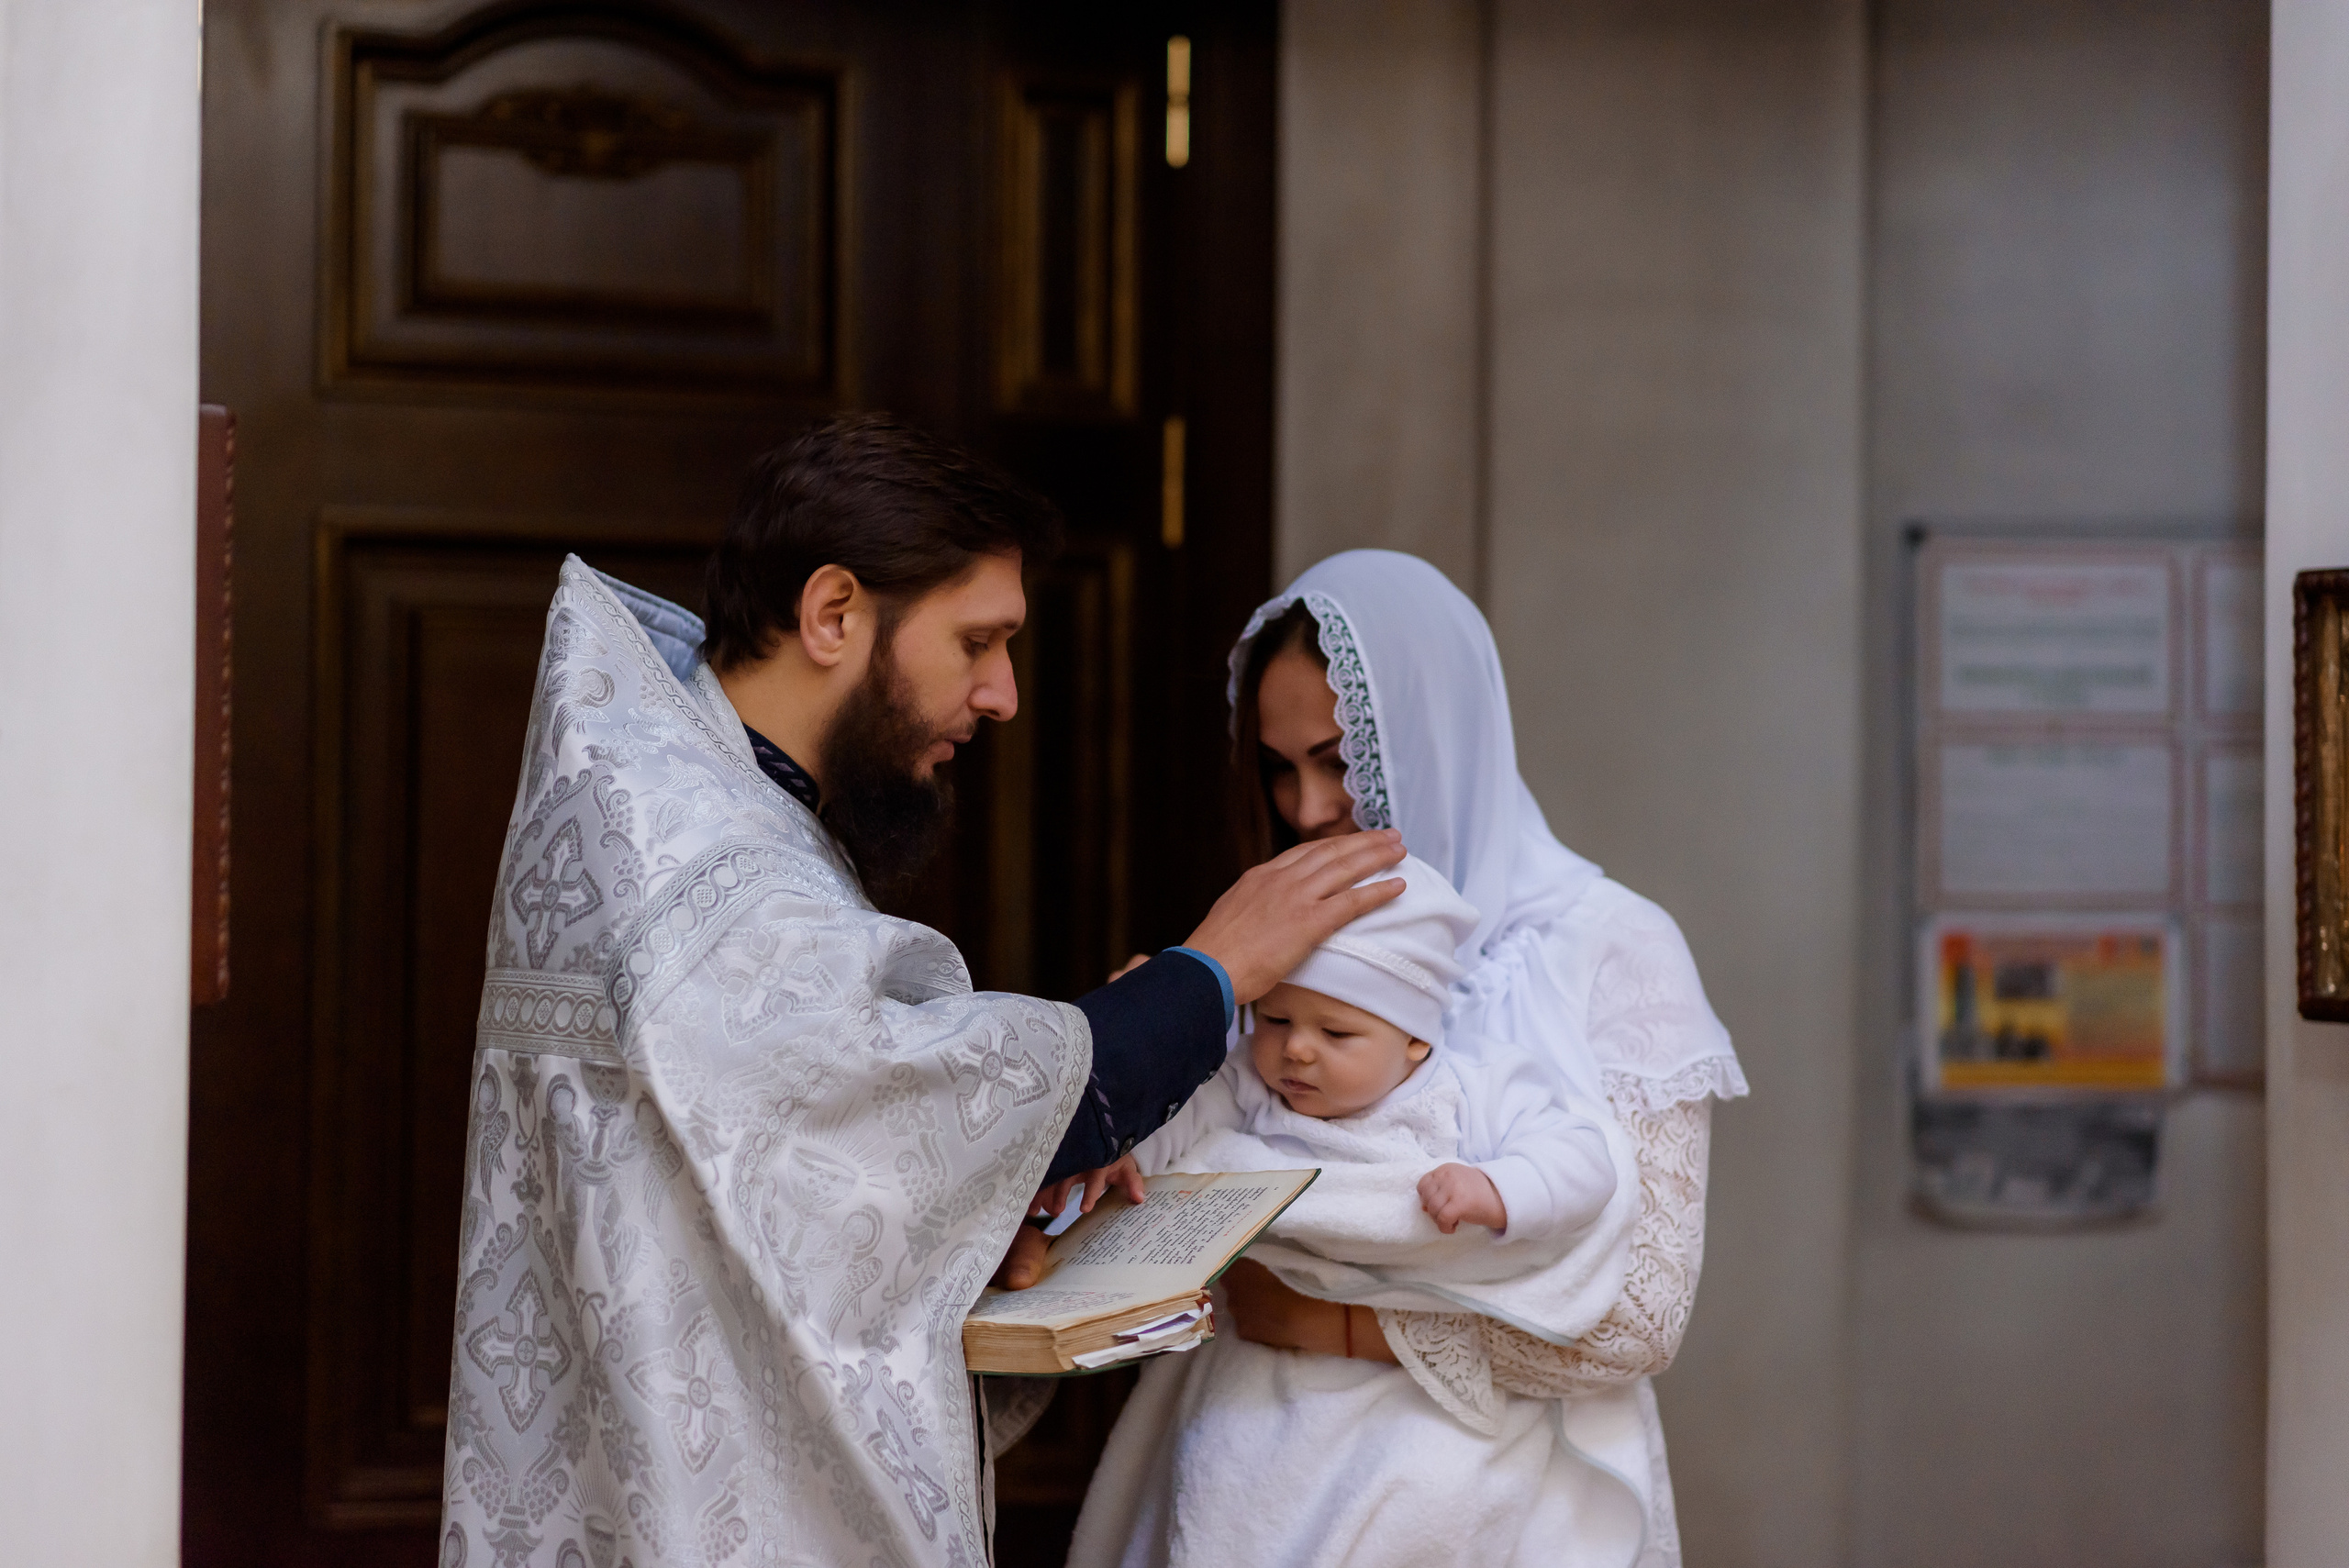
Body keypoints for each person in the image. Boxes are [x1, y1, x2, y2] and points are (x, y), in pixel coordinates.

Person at [437, 417, 1406, 1568]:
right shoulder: (704, 855)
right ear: (834, 613)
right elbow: (897, 1079)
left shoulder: (689, 798)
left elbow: (799, 1154)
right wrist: (1213, 972)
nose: (1001, 694)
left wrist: (979, 1207)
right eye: (977, 641)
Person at [1201, 550, 1746, 1566]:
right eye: (1281, 767)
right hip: (1267, 1484)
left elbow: (1640, 1319)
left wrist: (1339, 1328)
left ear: (1433, 733)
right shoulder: (1278, 937)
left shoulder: (1611, 946)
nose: (1309, 806)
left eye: (1339, 755)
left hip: (1523, 1513)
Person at [1068, 854, 1647, 1567]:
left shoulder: (1473, 1089)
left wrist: (1498, 1190)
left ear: (1415, 1037)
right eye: (1275, 1017)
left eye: (1336, 1033)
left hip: (1404, 1365)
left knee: (1422, 1487)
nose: (1296, 1050)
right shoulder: (1249, 1075)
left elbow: (1585, 1161)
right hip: (1266, 1354)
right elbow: (1185, 1129)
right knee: (1232, 1483)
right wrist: (1133, 1155)